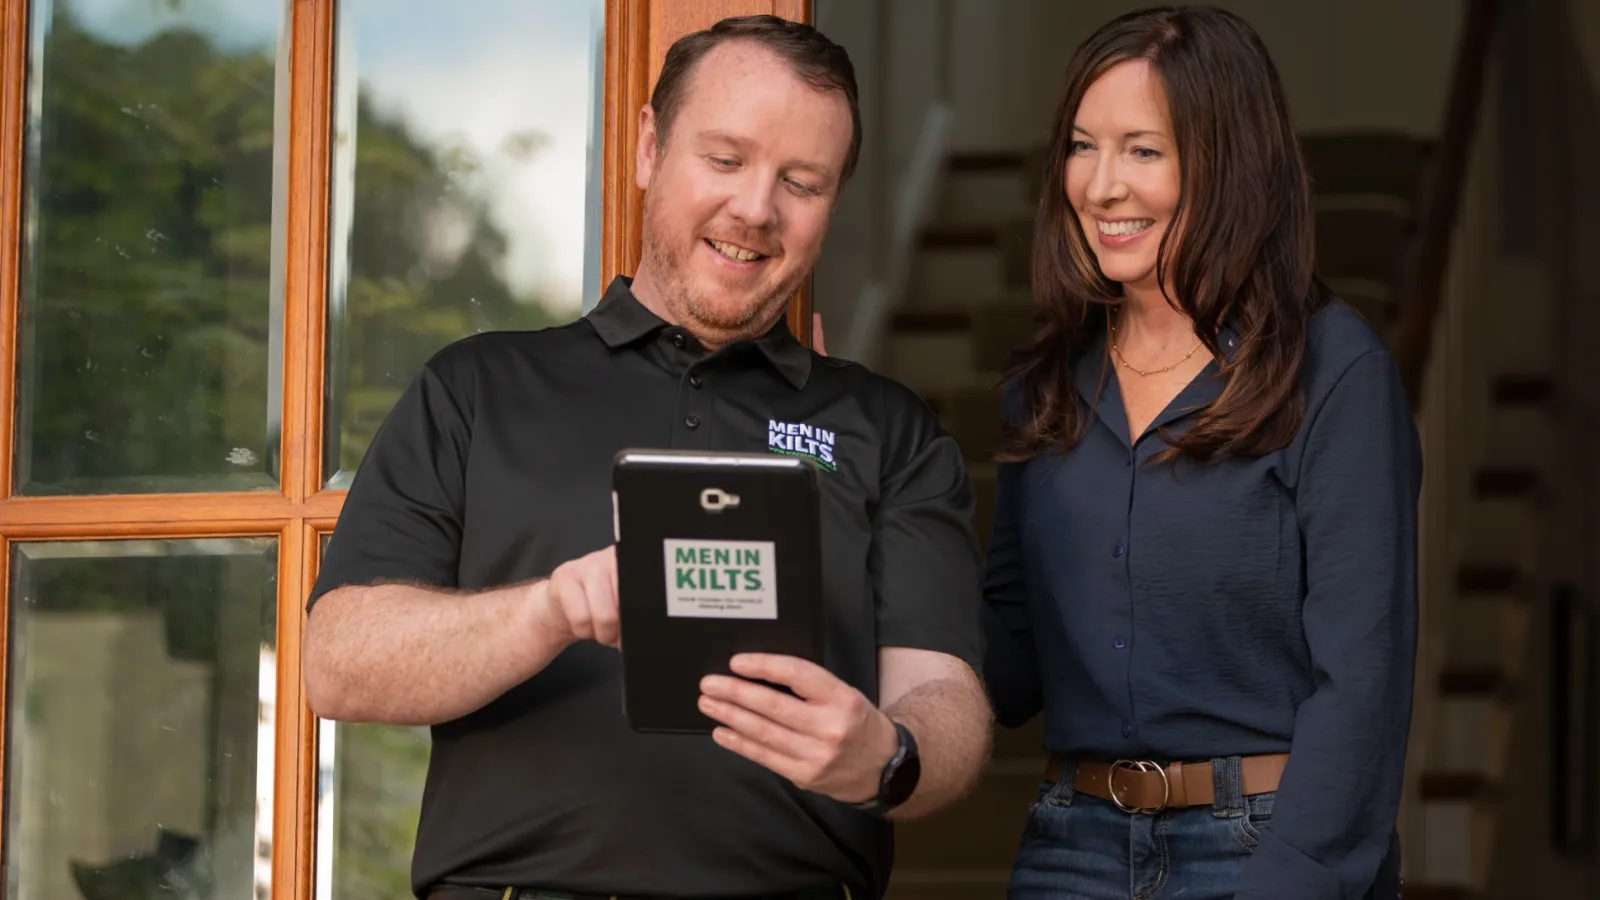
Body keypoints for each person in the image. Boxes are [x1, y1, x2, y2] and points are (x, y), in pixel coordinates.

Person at [303, 15, 992, 900]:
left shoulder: (889, 429)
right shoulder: (479, 388)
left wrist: (884, 757)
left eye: (802, 181)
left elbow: (947, 698)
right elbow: (339, 661)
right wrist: (545, 611)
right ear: (647, 146)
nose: (756, 207)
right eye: (726, 159)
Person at [981, 7, 1422, 900]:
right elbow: (1009, 659)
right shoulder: (1045, 383)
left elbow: (1361, 690)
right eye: (1082, 146)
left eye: (1143, 150)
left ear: (1228, 164)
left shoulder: (1334, 372)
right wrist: (852, 507)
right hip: (1071, 848)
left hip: (1264, 848)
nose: (1102, 186)